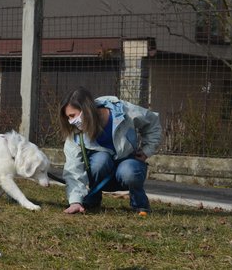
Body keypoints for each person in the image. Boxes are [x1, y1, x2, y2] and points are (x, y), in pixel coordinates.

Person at [59, 86, 161, 214]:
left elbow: (152, 122)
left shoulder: (123, 111)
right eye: (68, 118)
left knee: (130, 170)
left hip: (127, 168)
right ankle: (91, 201)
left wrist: (147, 150)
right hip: (101, 173)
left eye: (73, 116)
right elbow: (73, 168)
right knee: (100, 160)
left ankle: (140, 205)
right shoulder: (75, 134)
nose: (71, 121)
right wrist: (75, 201)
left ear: (86, 109)